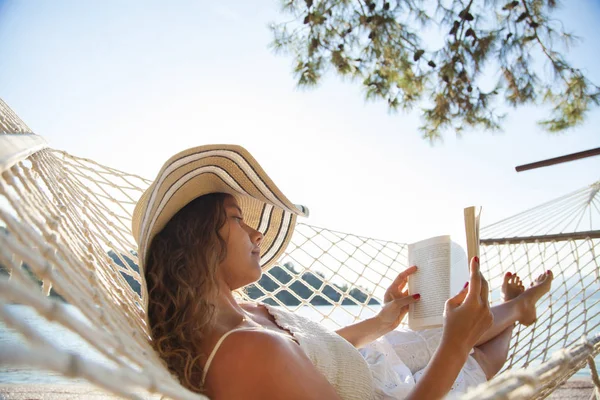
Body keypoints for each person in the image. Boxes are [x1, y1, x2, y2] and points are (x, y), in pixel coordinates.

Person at [132, 144, 553, 400]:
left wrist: (380, 321)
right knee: (471, 356)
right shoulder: (245, 352)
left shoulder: (244, 313)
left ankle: (515, 307)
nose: (256, 232)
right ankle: (518, 311)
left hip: (366, 362)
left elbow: (313, 351)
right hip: (390, 395)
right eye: (236, 218)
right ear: (198, 239)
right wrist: (457, 345)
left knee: (434, 333)